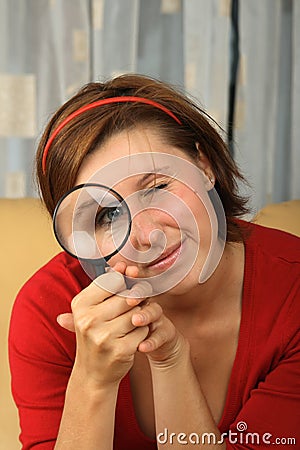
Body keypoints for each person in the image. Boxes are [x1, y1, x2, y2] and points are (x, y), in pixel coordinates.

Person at [9, 74, 300, 450]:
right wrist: (93, 382)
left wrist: (170, 362)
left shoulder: (292, 290)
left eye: (158, 188)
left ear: (205, 165)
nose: (146, 235)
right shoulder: (48, 308)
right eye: (105, 216)